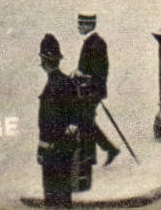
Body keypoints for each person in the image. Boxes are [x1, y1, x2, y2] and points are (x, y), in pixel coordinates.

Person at [36, 33, 82, 207]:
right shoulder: (68, 82)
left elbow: (48, 123)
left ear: (44, 62)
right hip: (67, 146)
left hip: (53, 149)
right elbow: (76, 114)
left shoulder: (51, 89)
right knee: (64, 192)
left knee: (52, 194)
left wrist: (42, 148)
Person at [75, 12, 119, 168]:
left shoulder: (96, 44)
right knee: (86, 121)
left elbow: (98, 71)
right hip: (89, 90)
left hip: (92, 91)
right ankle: (108, 150)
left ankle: (90, 157)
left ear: (89, 25)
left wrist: (81, 75)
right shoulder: (92, 42)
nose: (78, 27)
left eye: (81, 24)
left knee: (85, 121)